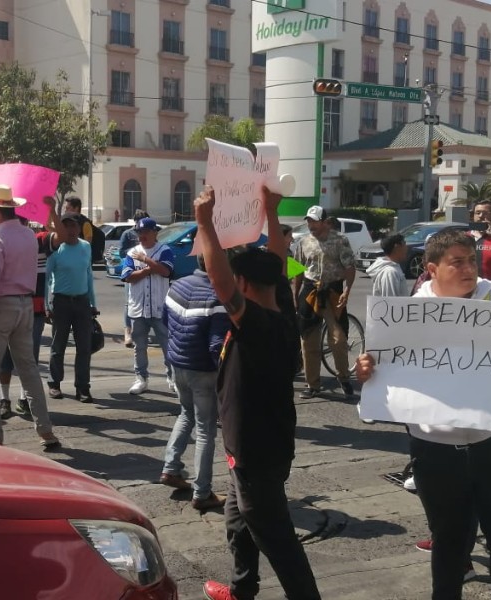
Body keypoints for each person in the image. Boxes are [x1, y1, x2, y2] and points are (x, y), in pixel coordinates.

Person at [355, 228, 491, 600]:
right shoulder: (406, 316)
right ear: (432, 268)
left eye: (472, 261)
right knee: (449, 544)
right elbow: (382, 370)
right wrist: (366, 372)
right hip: (434, 452)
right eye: (457, 262)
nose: (469, 269)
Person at [195, 185, 321, 600]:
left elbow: (219, 281)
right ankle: (241, 588)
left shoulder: (256, 326)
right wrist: (270, 211)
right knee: (237, 520)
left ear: (244, 283)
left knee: (278, 539)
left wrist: (205, 222)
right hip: (256, 445)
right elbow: (279, 261)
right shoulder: (280, 308)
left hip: (254, 451)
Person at [0, 184, 61, 449]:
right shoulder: (28, 235)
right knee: (29, 370)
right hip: (26, 305)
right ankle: (45, 429)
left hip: (1, 307)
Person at [160, 254, 230, 511]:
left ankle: (171, 468)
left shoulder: (177, 284)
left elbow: (166, 322)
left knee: (185, 414)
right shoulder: (218, 295)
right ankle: (202, 492)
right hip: (203, 369)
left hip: (178, 364)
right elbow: (216, 346)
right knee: (205, 430)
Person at [293, 205, 357, 398]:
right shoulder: (303, 242)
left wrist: (347, 290)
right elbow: (296, 270)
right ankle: (312, 384)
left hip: (332, 292)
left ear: (324, 221)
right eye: (308, 221)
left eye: (314, 220)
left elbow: (349, 266)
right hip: (310, 290)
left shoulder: (340, 241)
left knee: (338, 339)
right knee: (308, 340)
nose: (310, 224)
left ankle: (344, 377)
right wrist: (294, 296)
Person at [46, 212, 98, 402]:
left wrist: (93, 303)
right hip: (61, 302)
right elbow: (46, 278)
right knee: (58, 346)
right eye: (66, 226)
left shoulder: (85, 247)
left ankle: (82, 387)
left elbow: (89, 276)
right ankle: (54, 384)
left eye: (73, 226)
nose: (70, 230)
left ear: (79, 228)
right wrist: (47, 304)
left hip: (82, 302)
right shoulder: (56, 249)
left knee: (84, 347)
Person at [121, 217, 175, 395]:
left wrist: (145, 260)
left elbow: (166, 271)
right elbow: (128, 277)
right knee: (139, 346)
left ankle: (172, 377)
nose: (142, 235)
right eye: (139, 232)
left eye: (145, 232)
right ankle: (141, 378)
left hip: (160, 306)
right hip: (139, 307)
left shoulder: (164, 250)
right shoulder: (132, 252)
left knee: (167, 345)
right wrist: (149, 268)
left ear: (154, 232)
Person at [118, 209, 149, 348]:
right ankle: (128, 332)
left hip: (146, 272)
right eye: (139, 222)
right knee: (128, 302)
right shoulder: (127, 234)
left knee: (144, 301)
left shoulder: (149, 234)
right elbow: (121, 252)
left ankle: (142, 333)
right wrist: (135, 252)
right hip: (131, 272)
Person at [368, 233, 408, 298]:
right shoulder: (390, 272)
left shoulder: (393, 268)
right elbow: (390, 303)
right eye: (404, 244)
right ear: (397, 247)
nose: (406, 247)